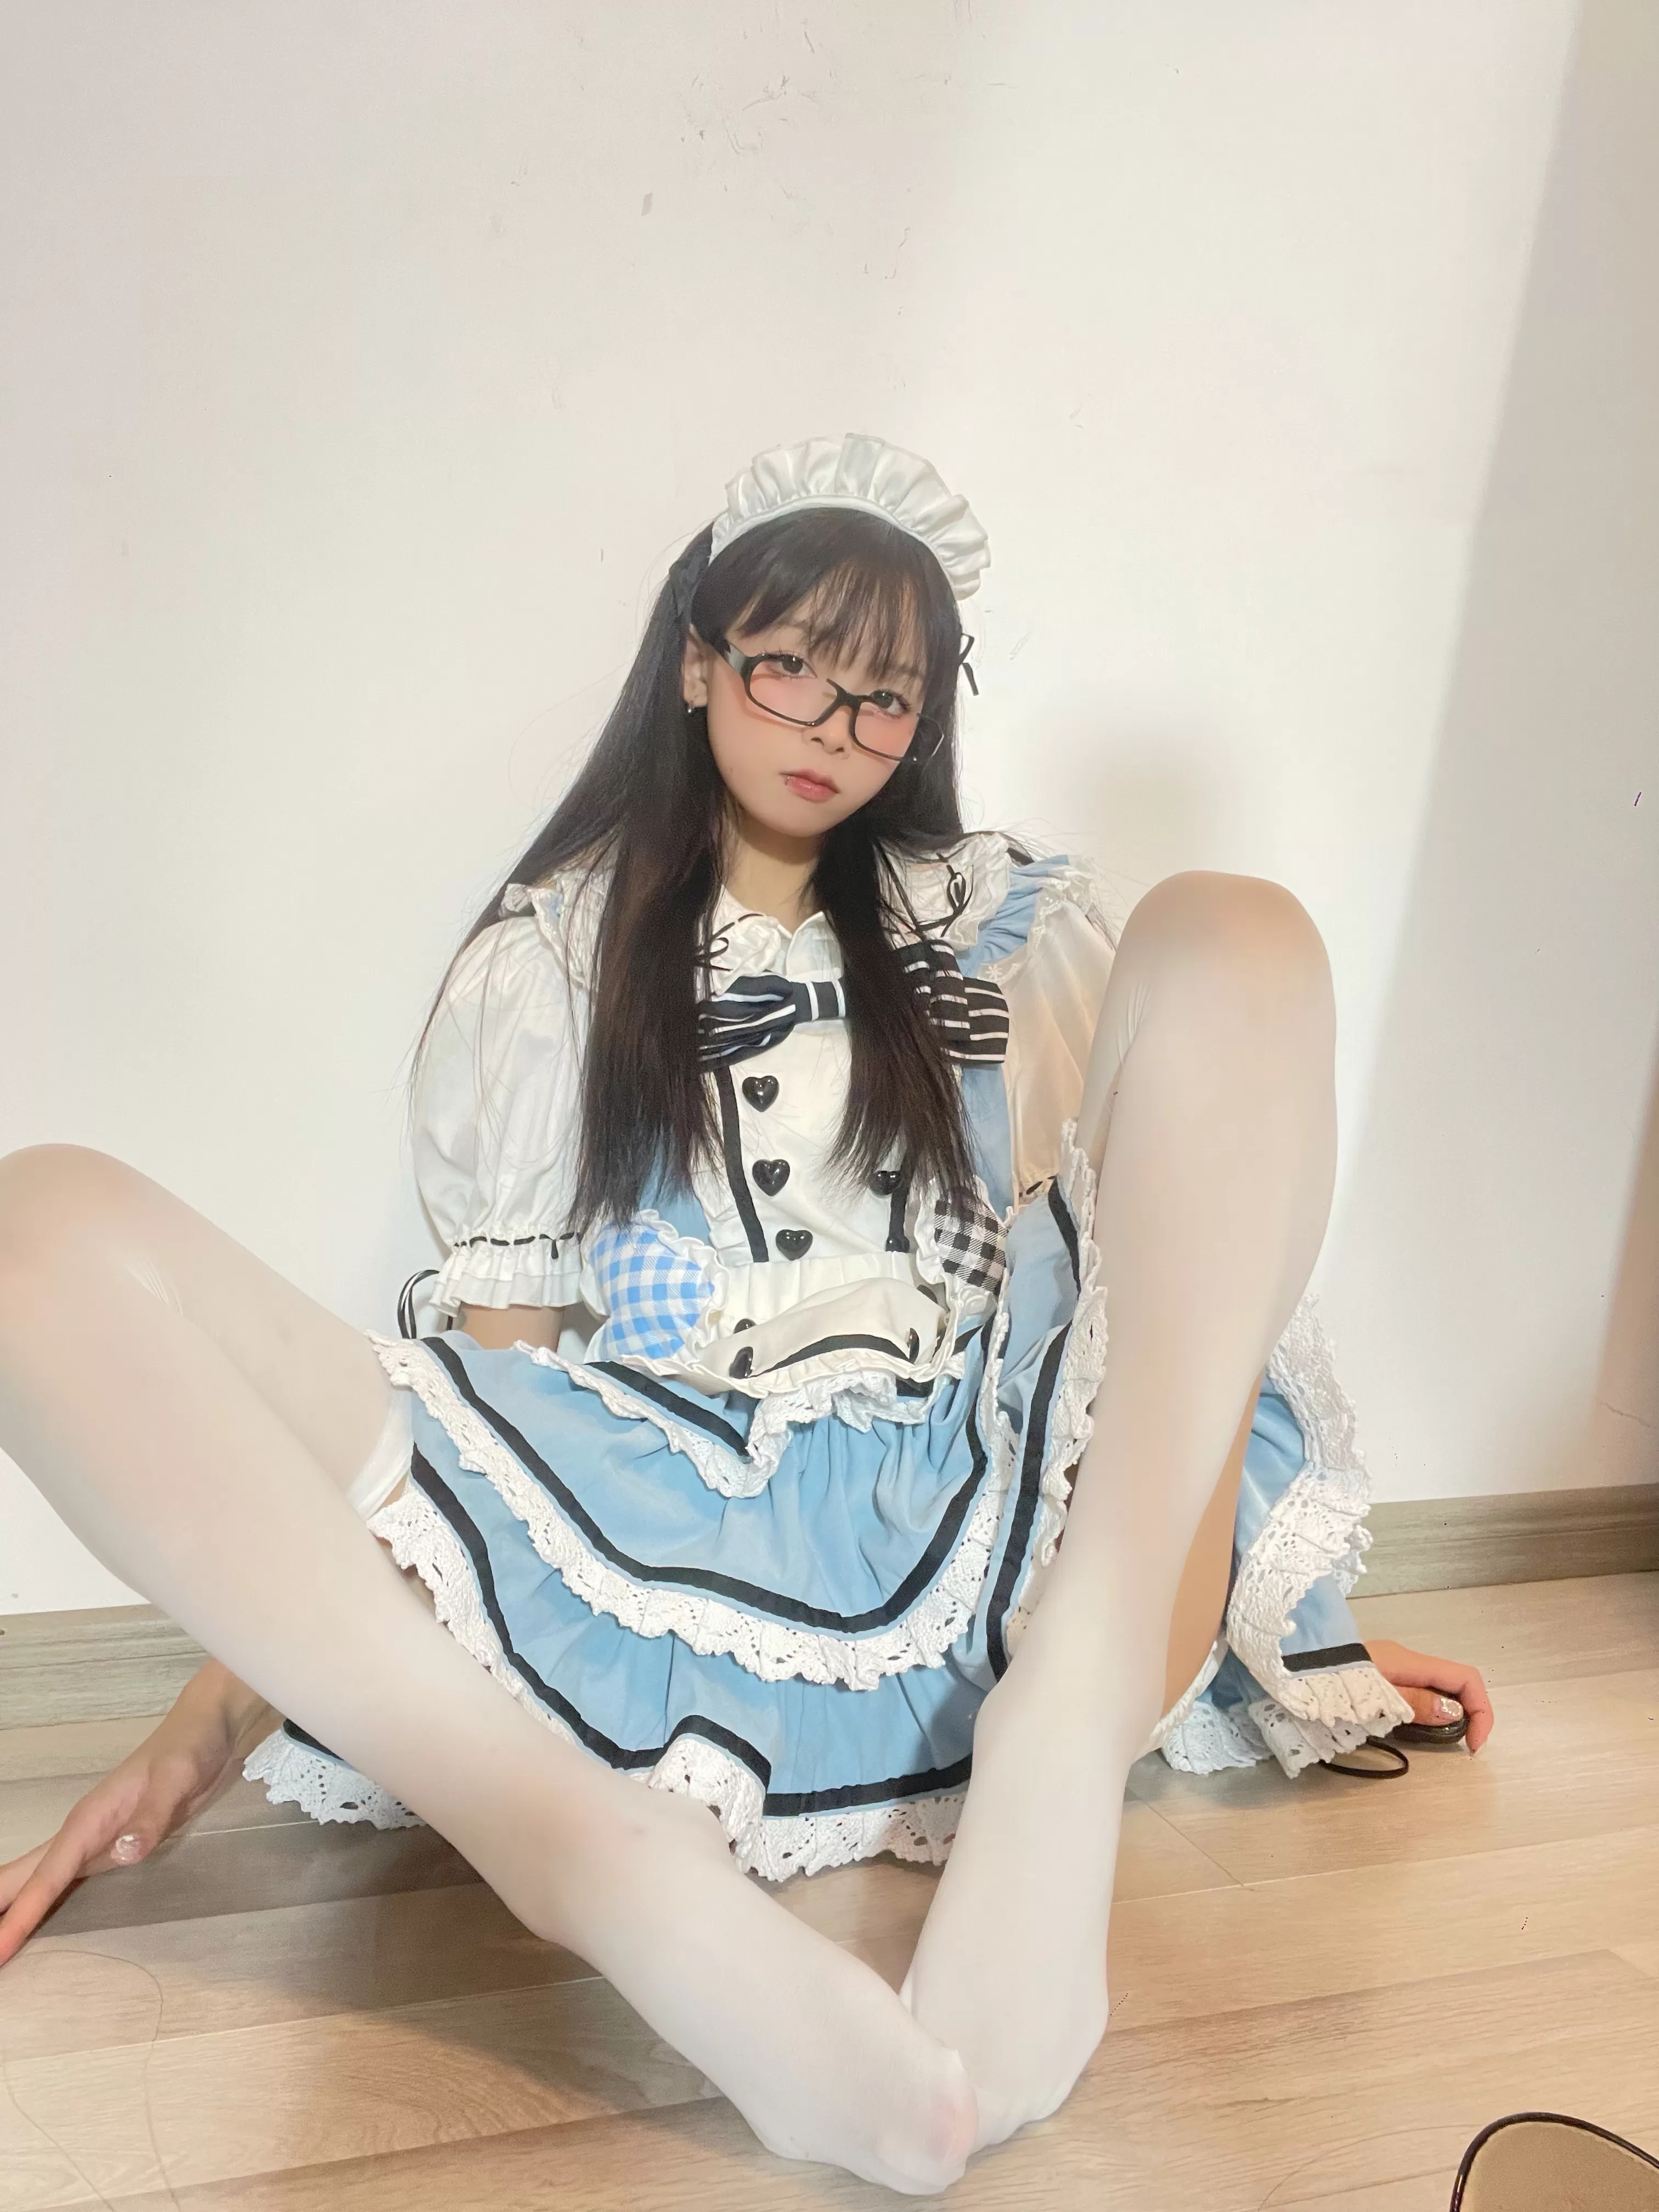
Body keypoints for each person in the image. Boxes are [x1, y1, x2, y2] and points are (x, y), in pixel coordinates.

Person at [0, 435, 1492, 2191]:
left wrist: (1275, 1626)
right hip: (660, 1550)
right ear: (700, 659)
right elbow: (474, 1425)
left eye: (885, 697)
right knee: (35, 1227)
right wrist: (200, 1730)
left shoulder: (993, 924)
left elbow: (1173, 1280)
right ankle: (585, 1861)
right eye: (792, 667)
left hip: (1000, 1547)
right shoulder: (552, 964)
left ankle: (1066, 1737)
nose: (834, 728)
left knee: (1241, 929)